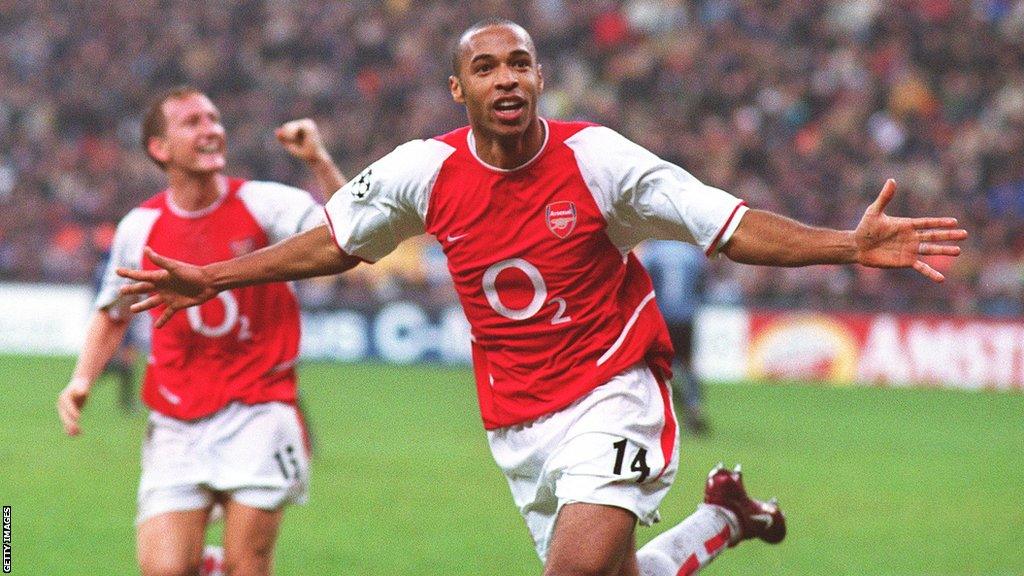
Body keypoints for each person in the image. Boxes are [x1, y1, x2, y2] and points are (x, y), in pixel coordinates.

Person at [117, 21, 967, 576]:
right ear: (461, 91)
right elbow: (336, 242)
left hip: (615, 389)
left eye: (520, 62)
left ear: (540, 76)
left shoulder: (600, 159)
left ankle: (715, 518)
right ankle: (722, 523)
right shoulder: (426, 170)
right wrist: (211, 276)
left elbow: (730, 225)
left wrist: (847, 245)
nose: (506, 79)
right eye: (485, 68)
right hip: (518, 419)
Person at [56, 86, 347, 576]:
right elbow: (112, 311)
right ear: (159, 149)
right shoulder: (139, 227)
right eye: (192, 122)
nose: (211, 129)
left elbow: (352, 235)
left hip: (260, 408)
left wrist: (318, 159)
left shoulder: (264, 204)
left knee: (247, 566)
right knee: (165, 569)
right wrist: (82, 379)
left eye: (214, 118)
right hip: (176, 420)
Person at [639, 241, 709, 435]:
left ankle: (656, 412)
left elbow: (643, 281)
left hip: (661, 317)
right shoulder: (692, 253)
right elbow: (701, 283)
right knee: (687, 363)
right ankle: (694, 407)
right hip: (686, 317)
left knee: (656, 364)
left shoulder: (653, 252)